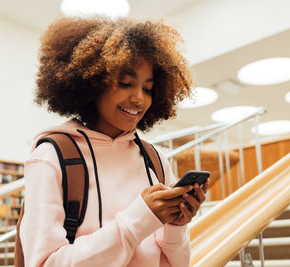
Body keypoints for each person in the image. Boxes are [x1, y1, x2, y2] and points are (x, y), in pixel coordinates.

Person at [19, 16, 209, 267]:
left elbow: (178, 263)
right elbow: (45, 263)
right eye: (126, 83)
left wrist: (176, 225)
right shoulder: (51, 158)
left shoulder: (155, 159)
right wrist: (139, 219)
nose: (139, 99)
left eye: (148, 88)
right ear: (92, 83)